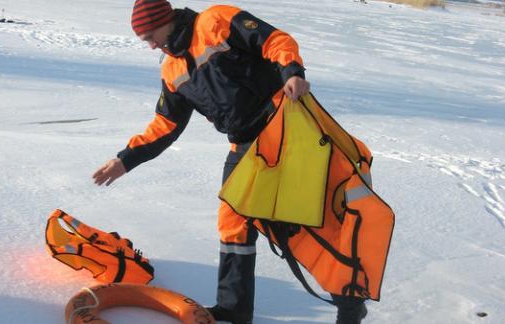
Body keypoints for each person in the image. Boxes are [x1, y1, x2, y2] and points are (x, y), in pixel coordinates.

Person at [92, 0, 367, 323]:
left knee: (298, 226)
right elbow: (166, 125)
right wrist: (124, 160)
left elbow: (274, 40)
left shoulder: (215, 21)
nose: (152, 46)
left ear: (165, 20)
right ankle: (234, 308)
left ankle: (349, 303)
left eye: (151, 36)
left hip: (281, 129)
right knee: (233, 223)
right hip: (242, 145)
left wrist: (292, 72)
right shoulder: (172, 70)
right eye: (146, 41)